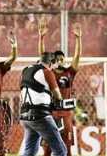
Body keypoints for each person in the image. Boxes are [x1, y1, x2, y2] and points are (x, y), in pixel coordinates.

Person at [38, 19, 83, 156]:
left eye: (63, 59)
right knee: (47, 149)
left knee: (67, 148)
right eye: (58, 60)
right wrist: (41, 37)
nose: (61, 62)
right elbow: (42, 55)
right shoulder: (48, 73)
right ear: (53, 61)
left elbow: (77, 56)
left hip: (66, 114)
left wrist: (78, 39)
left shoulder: (69, 72)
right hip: (50, 114)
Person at [17, 52, 67, 156]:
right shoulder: (47, 72)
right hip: (40, 116)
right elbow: (58, 95)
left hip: (25, 116)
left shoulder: (25, 70)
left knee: (29, 151)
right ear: (50, 63)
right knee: (61, 150)